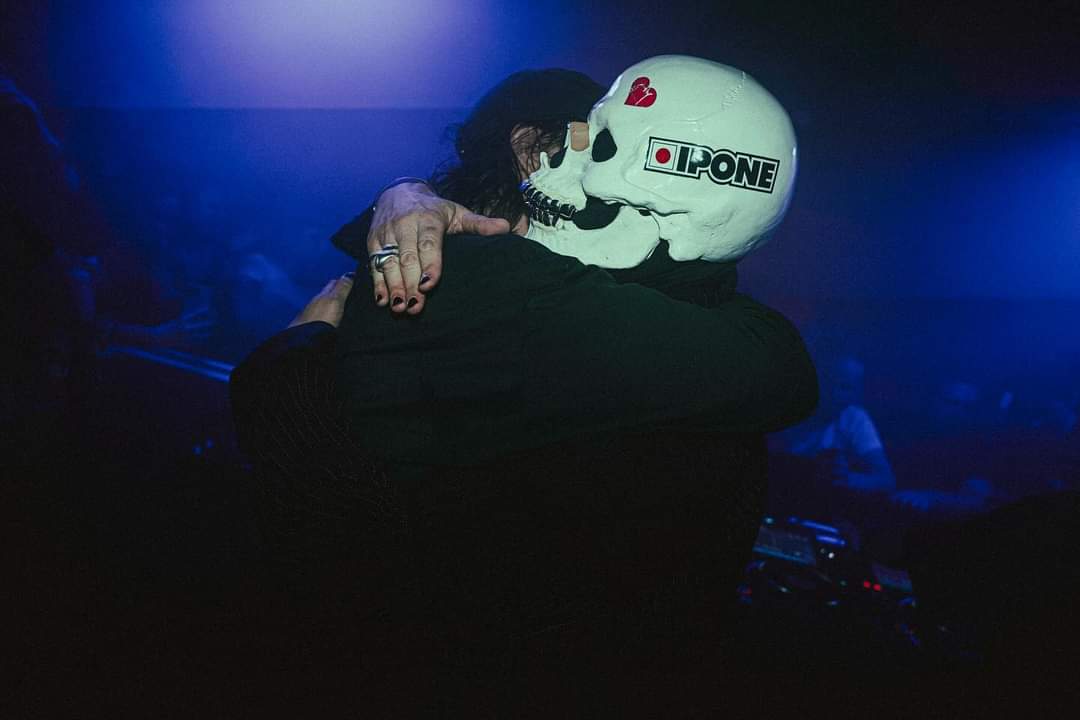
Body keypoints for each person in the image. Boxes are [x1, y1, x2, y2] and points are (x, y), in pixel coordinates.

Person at [232, 64, 816, 709]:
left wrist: (290, 364)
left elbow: (344, 566)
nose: (557, 175)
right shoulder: (721, 338)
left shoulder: (499, 301)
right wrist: (403, 195)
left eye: (594, 147)